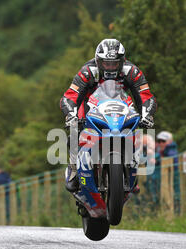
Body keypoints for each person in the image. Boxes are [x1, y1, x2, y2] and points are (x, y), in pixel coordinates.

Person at [60, 38, 157, 192]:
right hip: (90, 107)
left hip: (121, 108)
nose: (111, 67)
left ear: (122, 61)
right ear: (98, 61)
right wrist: (71, 115)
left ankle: (131, 172)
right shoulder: (87, 71)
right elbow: (70, 96)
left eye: (115, 63)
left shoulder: (132, 72)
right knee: (73, 131)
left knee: (136, 131)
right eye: (106, 63)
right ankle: (73, 170)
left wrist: (147, 115)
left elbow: (146, 96)